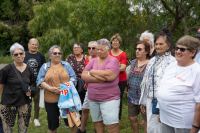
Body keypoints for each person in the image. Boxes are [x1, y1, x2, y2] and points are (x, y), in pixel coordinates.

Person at [157, 35, 200, 133]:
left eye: (182, 49)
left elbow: (199, 102)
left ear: (193, 52)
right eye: (177, 48)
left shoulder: (197, 71)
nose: (178, 51)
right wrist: (161, 111)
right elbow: (163, 89)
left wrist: (195, 127)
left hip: (183, 123)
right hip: (165, 118)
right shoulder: (171, 66)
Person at [139, 28, 176, 133]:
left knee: (161, 129)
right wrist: (144, 101)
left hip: (164, 103)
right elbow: (146, 82)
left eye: (161, 44)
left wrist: (162, 107)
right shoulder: (152, 60)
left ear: (168, 46)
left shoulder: (172, 62)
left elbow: (170, 86)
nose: (158, 46)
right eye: (156, 44)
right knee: (151, 129)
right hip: (150, 101)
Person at [82, 39, 120, 133]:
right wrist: (100, 79)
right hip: (93, 99)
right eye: (97, 49)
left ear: (108, 50)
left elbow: (110, 75)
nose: (98, 51)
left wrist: (92, 72)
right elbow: (83, 75)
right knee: (97, 123)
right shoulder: (93, 61)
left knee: (112, 125)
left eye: (101, 50)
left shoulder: (113, 60)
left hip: (109, 99)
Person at [36, 45, 77, 133]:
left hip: (67, 98)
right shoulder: (44, 66)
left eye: (59, 53)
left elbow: (73, 78)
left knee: (71, 122)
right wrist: (49, 88)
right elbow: (39, 81)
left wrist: (66, 86)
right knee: (52, 124)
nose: (57, 55)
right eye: (55, 53)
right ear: (50, 56)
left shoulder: (66, 65)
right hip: (50, 99)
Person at [0, 43, 34, 133]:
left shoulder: (29, 69)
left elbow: (30, 85)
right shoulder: (6, 69)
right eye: (16, 54)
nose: (19, 56)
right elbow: (1, 86)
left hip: (25, 104)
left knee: (23, 130)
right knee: (7, 130)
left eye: (21, 53)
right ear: (12, 56)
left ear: (24, 54)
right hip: (8, 104)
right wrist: (5, 100)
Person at [128, 40, 151, 133]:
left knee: (146, 119)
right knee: (132, 118)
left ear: (146, 51)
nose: (137, 51)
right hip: (132, 95)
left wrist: (145, 99)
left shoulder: (150, 64)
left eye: (140, 49)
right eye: (136, 49)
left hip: (144, 98)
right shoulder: (133, 62)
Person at [24, 38, 46, 126]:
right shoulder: (24, 54)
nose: (34, 46)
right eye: (32, 44)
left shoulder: (41, 55)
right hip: (26, 82)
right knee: (27, 100)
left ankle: (36, 118)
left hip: (37, 82)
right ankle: (27, 117)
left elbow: (44, 68)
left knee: (36, 100)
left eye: (36, 44)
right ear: (28, 45)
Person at [77, 41, 98, 133]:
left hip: (99, 88)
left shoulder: (101, 59)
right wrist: (86, 82)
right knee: (85, 109)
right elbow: (86, 72)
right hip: (89, 87)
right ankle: (82, 130)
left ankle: (98, 129)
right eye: (89, 48)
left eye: (93, 48)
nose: (91, 50)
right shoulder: (87, 59)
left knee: (97, 111)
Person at [109, 34, 127, 122]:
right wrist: (117, 65)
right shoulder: (108, 52)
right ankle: (109, 117)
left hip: (121, 80)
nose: (115, 42)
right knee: (108, 98)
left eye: (117, 41)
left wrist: (111, 67)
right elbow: (104, 66)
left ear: (119, 43)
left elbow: (123, 68)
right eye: (113, 41)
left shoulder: (123, 54)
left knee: (118, 99)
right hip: (109, 80)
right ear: (111, 43)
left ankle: (118, 119)